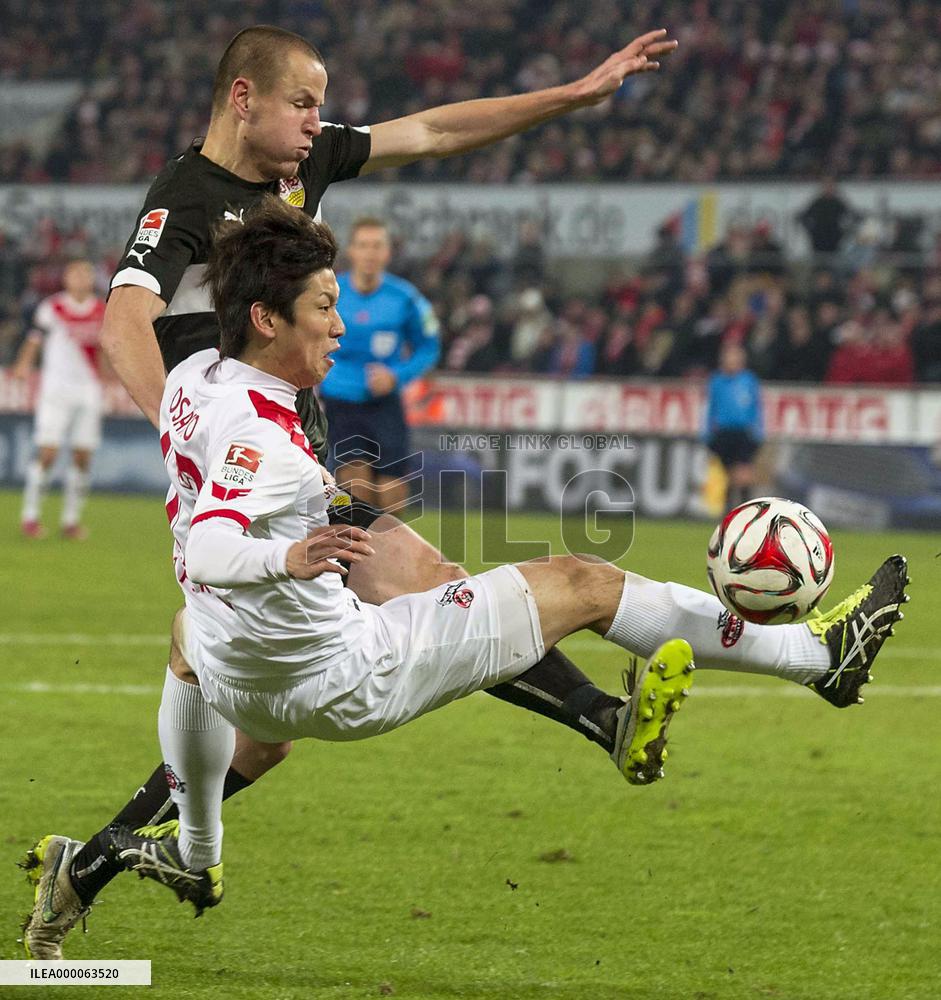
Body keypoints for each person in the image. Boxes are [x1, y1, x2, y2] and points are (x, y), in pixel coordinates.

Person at [21, 20, 687, 957]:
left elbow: (435, 131)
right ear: (242, 98)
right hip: (247, 491)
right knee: (410, 602)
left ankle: (87, 868)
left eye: (321, 109)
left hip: (305, 474)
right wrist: (180, 430)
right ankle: (604, 720)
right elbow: (123, 319)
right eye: (302, 104)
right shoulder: (183, 198)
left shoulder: (301, 173)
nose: (315, 124)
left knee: (261, 736)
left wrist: (572, 95)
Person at [92, 201, 909, 917]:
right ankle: (814, 657)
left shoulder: (193, 378)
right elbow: (208, 544)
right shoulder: (269, 446)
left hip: (241, 673)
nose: (340, 324)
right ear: (268, 318)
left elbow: (167, 321)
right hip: (350, 676)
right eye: (324, 306)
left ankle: (194, 852)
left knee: (186, 638)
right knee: (583, 582)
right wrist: (290, 555)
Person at [320, 217, 440, 513]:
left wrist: (397, 376)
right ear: (351, 251)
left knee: (392, 500)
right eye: (363, 245)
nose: (370, 253)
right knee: (357, 491)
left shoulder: (405, 298)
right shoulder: (329, 292)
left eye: (377, 246)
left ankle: (388, 555)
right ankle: (362, 557)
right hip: (341, 405)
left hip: (386, 405)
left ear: (388, 252)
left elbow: (429, 345)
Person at [11, 259, 105, 540]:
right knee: (48, 453)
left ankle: (71, 520)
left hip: (88, 390)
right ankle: (30, 516)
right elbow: (34, 339)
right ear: (66, 279)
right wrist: (23, 365)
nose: (80, 278)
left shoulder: (101, 311)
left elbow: (105, 350)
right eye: (75, 273)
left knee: (82, 456)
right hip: (55, 388)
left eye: (86, 273)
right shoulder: (53, 307)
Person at [704, 343, 764, 510]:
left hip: (744, 433)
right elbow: (710, 409)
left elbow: (757, 409)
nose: (731, 360)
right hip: (723, 433)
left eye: (734, 357)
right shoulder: (716, 381)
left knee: (744, 474)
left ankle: (748, 512)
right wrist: (707, 435)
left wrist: (759, 433)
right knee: (728, 475)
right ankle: (728, 514)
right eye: (728, 357)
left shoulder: (749, 380)